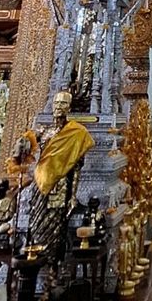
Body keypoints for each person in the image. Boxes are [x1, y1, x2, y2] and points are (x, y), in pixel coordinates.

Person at [18, 91, 94, 261]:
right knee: (36, 223)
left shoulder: (77, 133)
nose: (59, 107)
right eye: (57, 103)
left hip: (60, 186)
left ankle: (53, 267)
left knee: (55, 227)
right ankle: (35, 260)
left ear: (70, 107)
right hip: (40, 184)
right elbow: (24, 154)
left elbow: (76, 167)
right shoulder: (43, 132)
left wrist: (73, 195)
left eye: (63, 103)